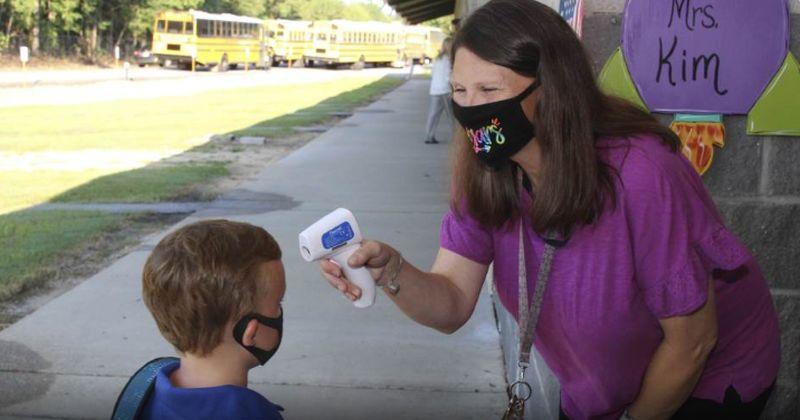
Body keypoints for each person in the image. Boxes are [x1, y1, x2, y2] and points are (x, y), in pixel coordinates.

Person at [319, 1, 780, 419]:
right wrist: (393, 271)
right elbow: (452, 302)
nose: (471, 110)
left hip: (706, 380)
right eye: (459, 90)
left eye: (488, 89)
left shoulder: (643, 173)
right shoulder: (485, 170)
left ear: (552, 89)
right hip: (604, 385)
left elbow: (693, 341)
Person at [140, 219, 285, 420]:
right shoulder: (252, 414)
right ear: (250, 333)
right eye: (278, 303)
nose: (280, 311)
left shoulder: (143, 391)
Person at [424, 37, 453, 144]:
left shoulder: (438, 59)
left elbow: (432, 73)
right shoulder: (449, 60)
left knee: (433, 114)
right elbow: (448, 76)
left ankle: (429, 135)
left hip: (435, 89)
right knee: (451, 116)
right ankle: (456, 138)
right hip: (445, 90)